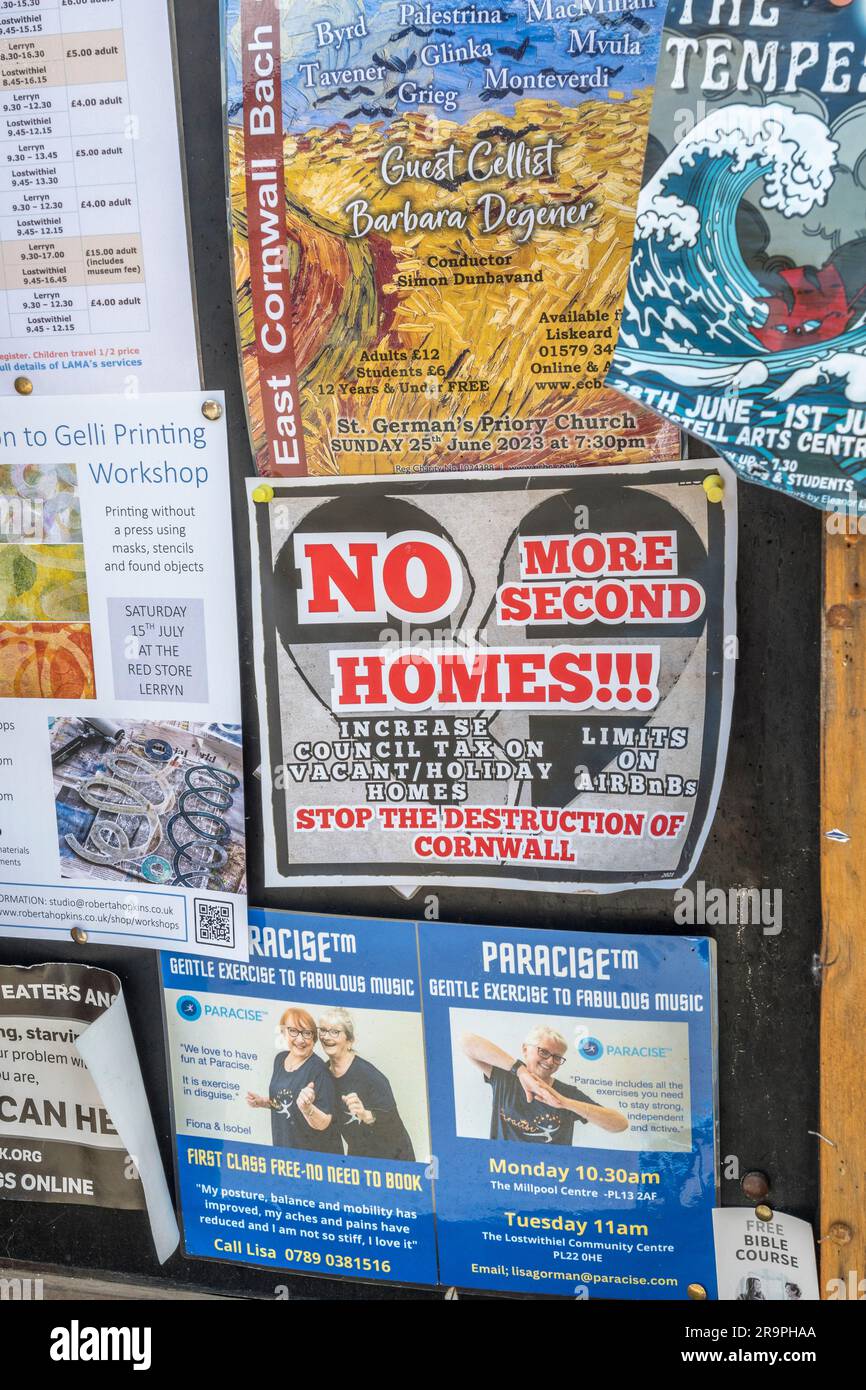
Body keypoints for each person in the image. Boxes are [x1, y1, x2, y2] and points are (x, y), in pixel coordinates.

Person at [461, 1025, 628, 1145]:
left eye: (557, 1057)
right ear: (525, 1050)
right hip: (504, 1171)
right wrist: (521, 1072)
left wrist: (565, 1103)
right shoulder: (505, 1076)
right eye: (544, 1052)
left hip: (549, 1177)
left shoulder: (567, 1093)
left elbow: (620, 1124)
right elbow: (466, 1041)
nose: (550, 1061)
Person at [317, 1007, 415, 1161]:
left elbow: (394, 1128)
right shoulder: (322, 1074)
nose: (326, 1037)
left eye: (335, 1031)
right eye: (322, 1030)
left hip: (392, 1159)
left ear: (350, 1041)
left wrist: (366, 1115)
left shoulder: (371, 1077)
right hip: (358, 1158)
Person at [246, 1006, 342, 1153]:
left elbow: (325, 1122)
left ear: (314, 1038)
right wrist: (262, 1102)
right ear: (284, 1032)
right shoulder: (280, 1059)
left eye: (307, 1033)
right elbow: (286, 1099)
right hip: (284, 1147)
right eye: (293, 1031)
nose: (300, 1039)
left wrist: (308, 1109)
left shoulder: (319, 1070)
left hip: (313, 1156)